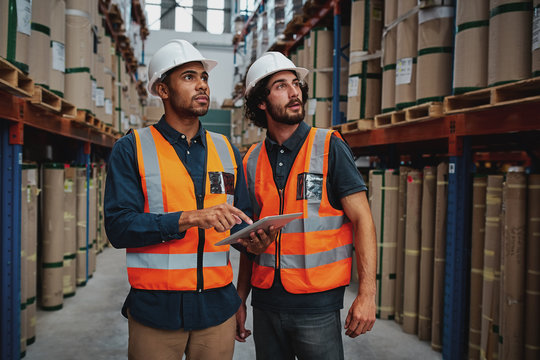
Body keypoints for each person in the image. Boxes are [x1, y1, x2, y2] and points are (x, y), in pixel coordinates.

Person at [104, 39, 276, 360]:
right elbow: (118, 228)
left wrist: (254, 241)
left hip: (216, 312)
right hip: (156, 311)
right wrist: (189, 218)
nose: (202, 85)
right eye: (189, 77)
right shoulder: (132, 148)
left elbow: (240, 224)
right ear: (162, 90)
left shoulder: (226, 150)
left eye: (204, 78)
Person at [235, 52, 377, 360]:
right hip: (266, 304)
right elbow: (248, 239)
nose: (295, 91)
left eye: (296, 83)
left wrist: (367, 294)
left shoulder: (330, 147)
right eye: (281, 86)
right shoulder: (250, 161)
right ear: (261, 101)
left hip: (318, 306)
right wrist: (240, 298)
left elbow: (363, 220)